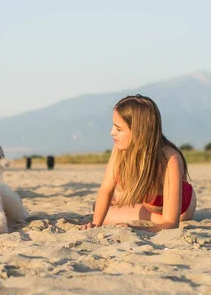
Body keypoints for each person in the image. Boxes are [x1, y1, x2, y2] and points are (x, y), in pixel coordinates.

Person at [80, 94, 196, 233]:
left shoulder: (169, 159)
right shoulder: (120, 148)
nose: (112, 132)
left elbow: (171, 223)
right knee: (99, 207)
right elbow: (106, 188)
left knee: (106, 212)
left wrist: (137, 228)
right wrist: (95, 224)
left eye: (118, 129)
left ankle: (133, 209)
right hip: (147, 202)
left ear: (138, 132)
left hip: (182, 209)